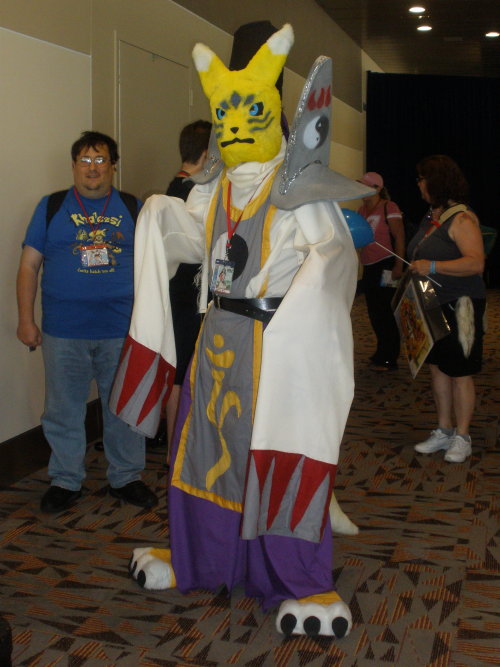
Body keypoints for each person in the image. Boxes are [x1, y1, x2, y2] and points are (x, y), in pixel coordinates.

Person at [112, 23, 371, 638]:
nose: (232, 122)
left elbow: (335, 254)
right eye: (222, 108)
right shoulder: (219, 183)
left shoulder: (296, 184)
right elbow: (187, 235)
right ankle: (198, 558)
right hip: (217, 341)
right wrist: (157, 212)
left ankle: (298, 582)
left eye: (247, 104)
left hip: (275, 347)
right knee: (202, 456)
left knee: (273, 459)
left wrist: (298, 319)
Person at [16, 130, 158, 513]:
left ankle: (126, 477)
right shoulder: (51, 206)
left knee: (124, 410)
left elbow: (154, 268)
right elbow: (29, 266)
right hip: (64, 332)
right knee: (63, 410)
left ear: (113, 166)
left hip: (122, 331)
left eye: (100, 161)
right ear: (74, 166)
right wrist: (26, 320)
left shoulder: (133, 207)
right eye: (84, 161)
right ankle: (65, 480)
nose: (92, 168)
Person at [408, 155, 485, 463]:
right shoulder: (433, 216)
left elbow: (476, 263)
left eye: (422, 178)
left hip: (461, 305)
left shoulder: (462, 218)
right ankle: (444, 429)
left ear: (436, 180)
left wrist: (434, 265)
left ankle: (462, 436)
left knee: (460, 373)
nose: (419, 185)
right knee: (438, 369)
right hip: (433, 303)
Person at [163, 120, 211, 448]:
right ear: (208, 154)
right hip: (188, 293)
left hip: (178, 290)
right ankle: (175, 450)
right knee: (182, 373)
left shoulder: (174, 188)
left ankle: (175, 450)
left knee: (181, 371)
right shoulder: (194, 190)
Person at [358, 171, 405, 370]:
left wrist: (398, 265)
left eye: (366, 186)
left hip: (386, 264)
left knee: (386, 311)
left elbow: (400, 236)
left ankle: (390, 356)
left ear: (377, 188)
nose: (362, 190)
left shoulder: (388, 207)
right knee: (374, 312)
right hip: (370, 267)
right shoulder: (361, 210)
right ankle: (381, 350)